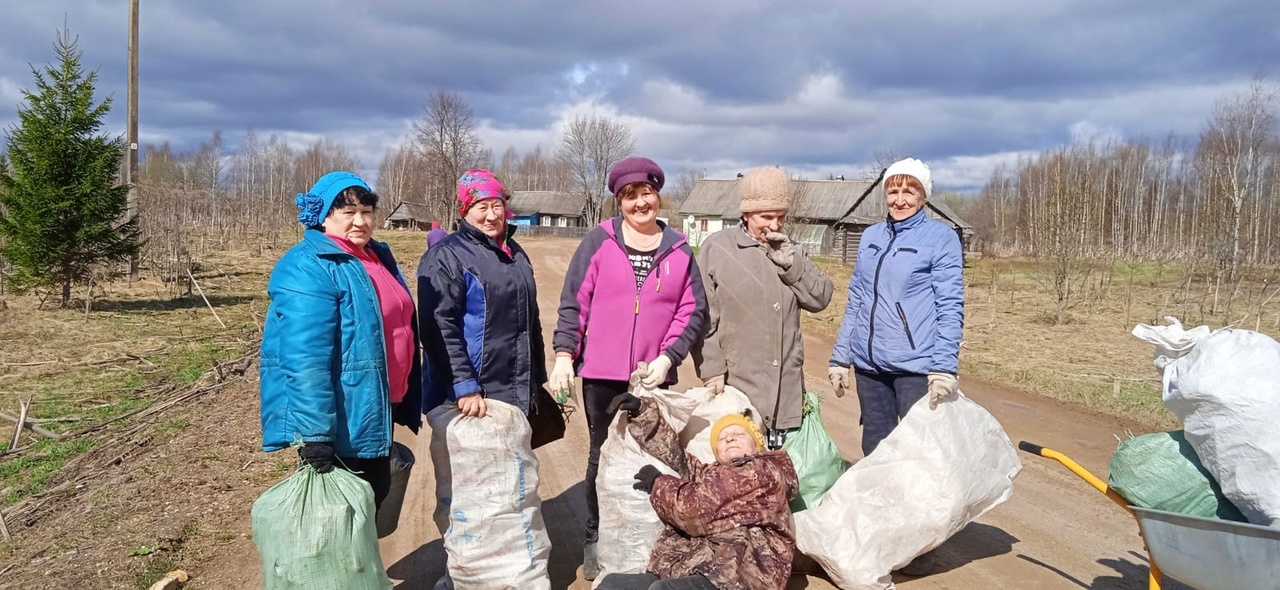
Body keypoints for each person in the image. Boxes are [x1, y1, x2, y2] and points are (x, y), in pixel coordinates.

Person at [550, 156, 708, 580]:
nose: (640, 203)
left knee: (653, 457)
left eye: (646, 193)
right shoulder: (598, 241)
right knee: (602, 454)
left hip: (651, 376)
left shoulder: (678, 248)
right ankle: (595, 534)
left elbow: (692, 310)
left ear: (657, 195)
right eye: (630, 196)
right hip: (602, 372)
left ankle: (649, 535)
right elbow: (574, 302)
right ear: (618, 202)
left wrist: (667, 356)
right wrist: (565, 353)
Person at [259, 171, 422, 512]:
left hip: (374, 403)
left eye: (367, 211)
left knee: (371, 501)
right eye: (348, 213)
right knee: (344, 517)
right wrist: (316, 436)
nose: (360, 221)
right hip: (343, 417)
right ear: (323, 216)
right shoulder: (308, 267)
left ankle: (363, 565)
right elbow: (304, 360)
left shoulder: (374, 257)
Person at [828, 157, 963, 458]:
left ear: (923, 196)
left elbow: (950, 306)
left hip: (914, 367)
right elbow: (857, 300)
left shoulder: (941, 239)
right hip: (869, 368)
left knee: (920, 454)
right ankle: (880, 507)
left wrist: (943, 366)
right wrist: (840, 358)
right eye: (893, 191)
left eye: (909, 192)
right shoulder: (871, 236)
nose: (899, 200)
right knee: (875, 451)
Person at [595, 392, 799, 590]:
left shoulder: (762, 472)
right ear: (717, 453)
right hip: (694, 567)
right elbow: (676, 457)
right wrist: (642, 413)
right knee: (612, 585)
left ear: (757, 446)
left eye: (739, 434)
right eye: (723, 437)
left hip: (740, 575)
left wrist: (658, 484)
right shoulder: (711, 474)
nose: (729, 439)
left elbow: (697, 509)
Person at [693, 166, 833, 445]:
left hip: (785, 389)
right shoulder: (717, 249)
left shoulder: (791, 249)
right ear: (746, 214)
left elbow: (820, 298)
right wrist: (712, 370)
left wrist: (793, 265)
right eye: (766, 217)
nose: (775, 225)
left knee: (779, 476)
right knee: (737, 473)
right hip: (736, 385)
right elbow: (704, 318)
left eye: (781, 217)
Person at [417, 169, 547, 419]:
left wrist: (536, 377)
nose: (491, 216)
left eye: (496, 206)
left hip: (516, 386)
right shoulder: (447, 255)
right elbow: (439, 327)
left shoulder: (515, 253)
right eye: (481, 207)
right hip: (475, 394)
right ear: (464, 211)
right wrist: (463, 386)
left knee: (515, 458)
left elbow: (532, 319)